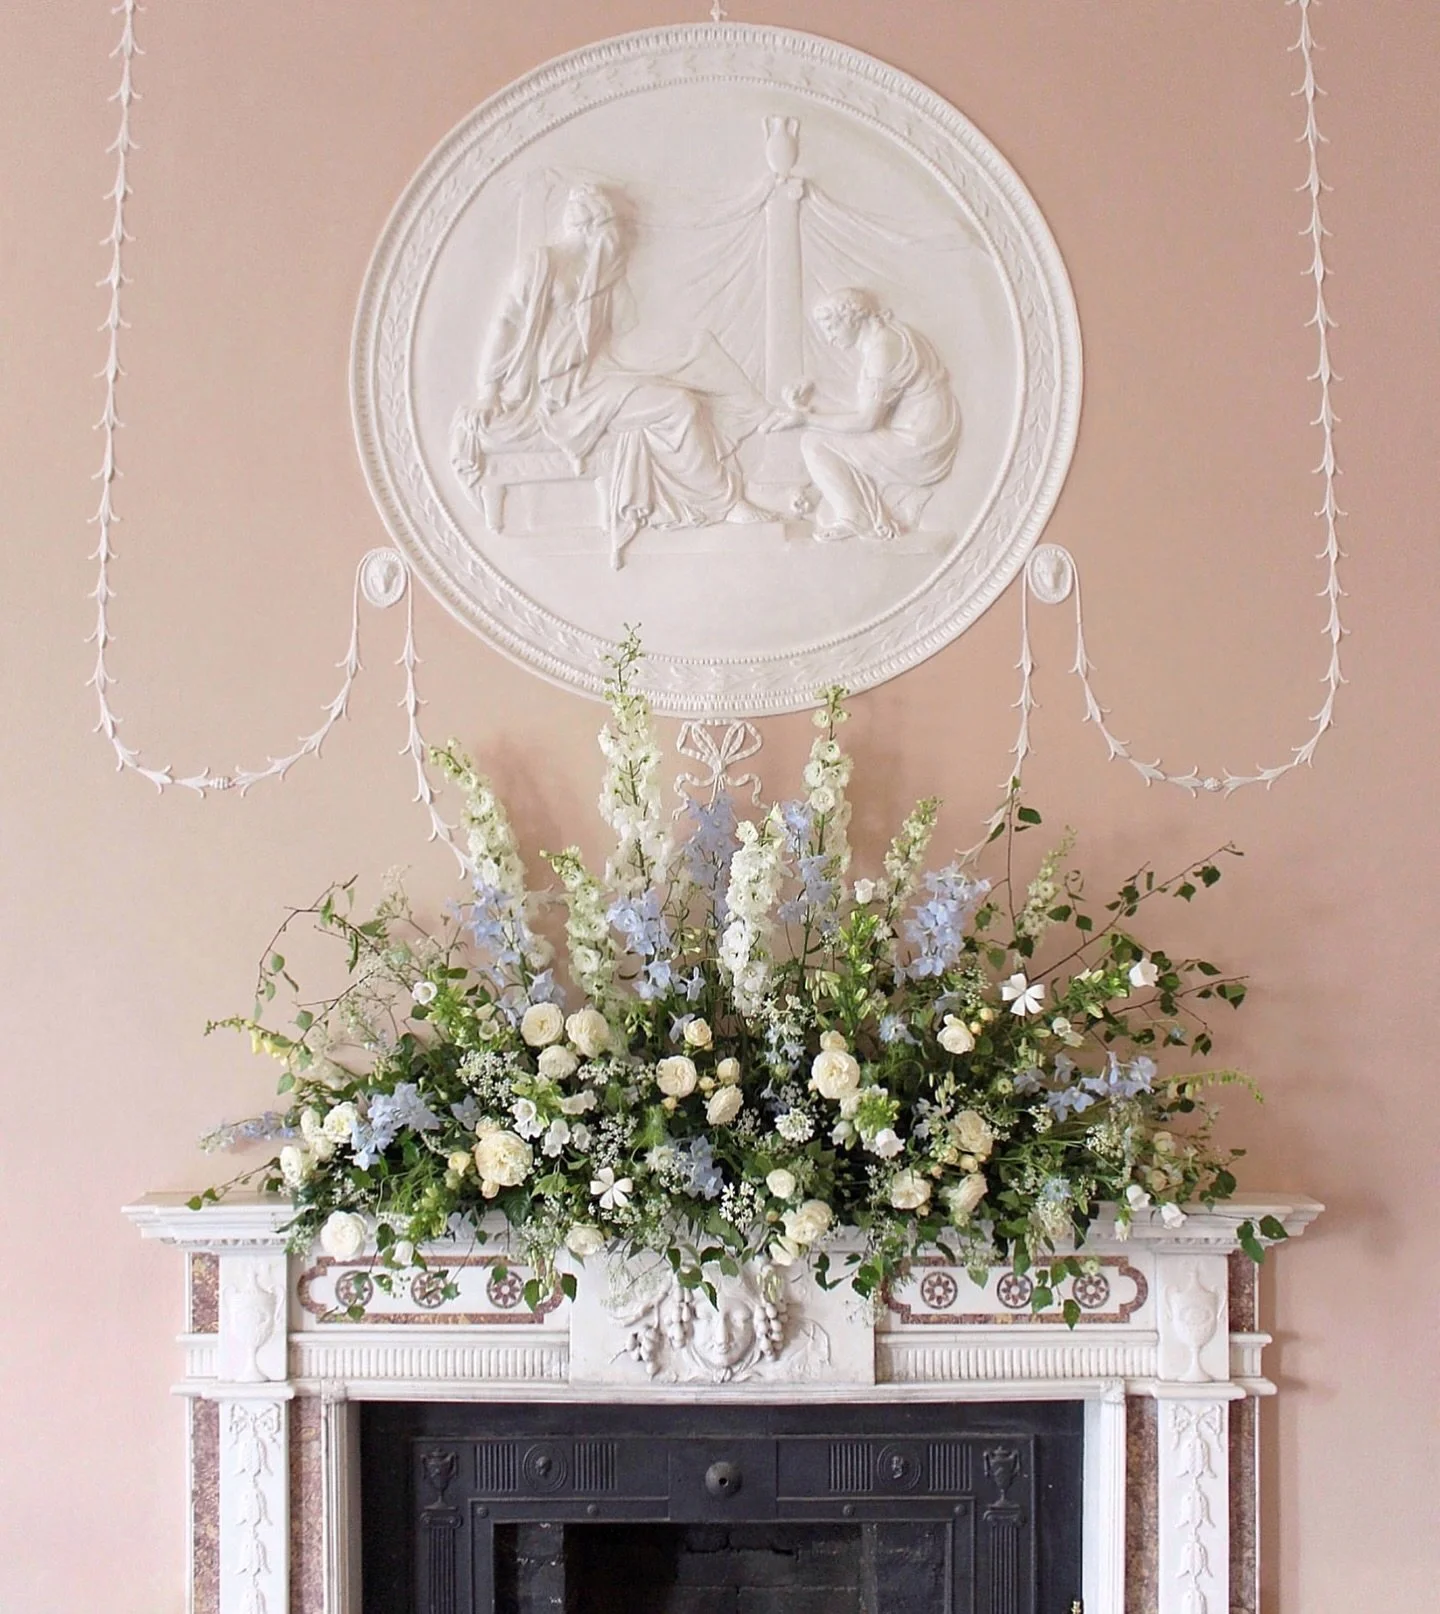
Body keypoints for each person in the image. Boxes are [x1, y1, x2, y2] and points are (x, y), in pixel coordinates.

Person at [451, 181, 769, 565]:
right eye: (611, 228)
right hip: (558, 394)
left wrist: (676, 349)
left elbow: (626, 328)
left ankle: (726, 483)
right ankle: (722, 502)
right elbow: (507, 322)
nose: (618, 239)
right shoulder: (542, 264)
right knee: (677, 406)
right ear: (591, 226)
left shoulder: (599, 271)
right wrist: (488, 390)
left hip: (598, 376)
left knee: (690, 370)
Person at [766, 287, 960, 543]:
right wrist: (814, 387)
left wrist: (806, 419)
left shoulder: (883, 351)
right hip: (927, 427)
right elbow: (866, 398)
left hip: (919, 442)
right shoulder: (889, 335)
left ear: (852, 319)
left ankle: (855, 518)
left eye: (832, 329)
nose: (830, 339)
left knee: (814, 442)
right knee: (825, 436)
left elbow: (866, 420)